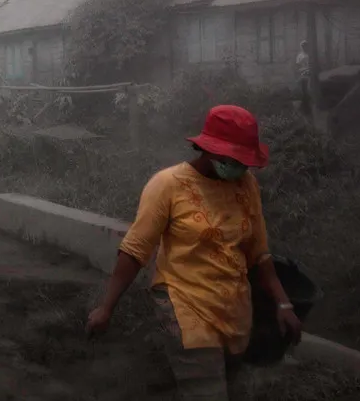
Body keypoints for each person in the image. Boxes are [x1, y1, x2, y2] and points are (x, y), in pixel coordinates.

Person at [86, 105, 302, 400]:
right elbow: (135, 250)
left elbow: (258, 252)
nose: (240, 167)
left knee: (230, 387)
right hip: (183, 303)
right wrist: (106, 308)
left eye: (244, 161)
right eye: (233, 159)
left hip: (233, 309)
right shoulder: (168, 185)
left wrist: (284, 304)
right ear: (209, 150)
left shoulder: (246, 185)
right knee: (207, 390)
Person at [296, 41, 312, 115]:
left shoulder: (310, 55)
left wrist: (309, 70)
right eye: (303, 46)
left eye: (305, 46)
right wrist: (301, 71)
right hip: (303, 74)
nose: (304, 47)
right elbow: (298, 66)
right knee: (303, 90)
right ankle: (305, 106)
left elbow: (312, 64)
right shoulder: (299, 56)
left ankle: (309, 105)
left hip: (310, 73)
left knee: (309, 89)